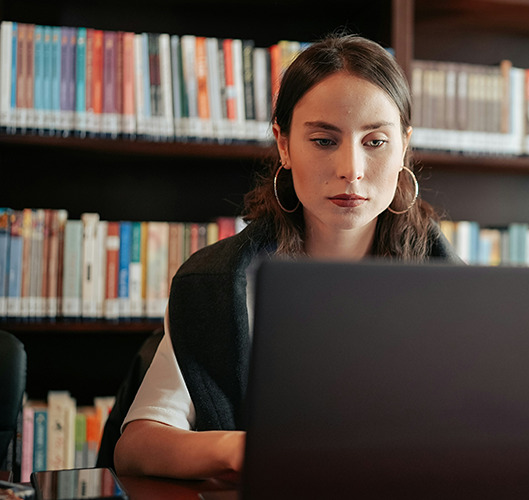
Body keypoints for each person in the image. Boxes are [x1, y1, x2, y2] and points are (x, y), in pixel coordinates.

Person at [113, 32, 461, 481]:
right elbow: (137, 444)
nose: (350, 169)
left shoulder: (451, 285)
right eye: (323, 140)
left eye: (375, 142)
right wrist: (242, 448)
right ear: (284, 144)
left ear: (403, 148)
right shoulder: (219, 284)